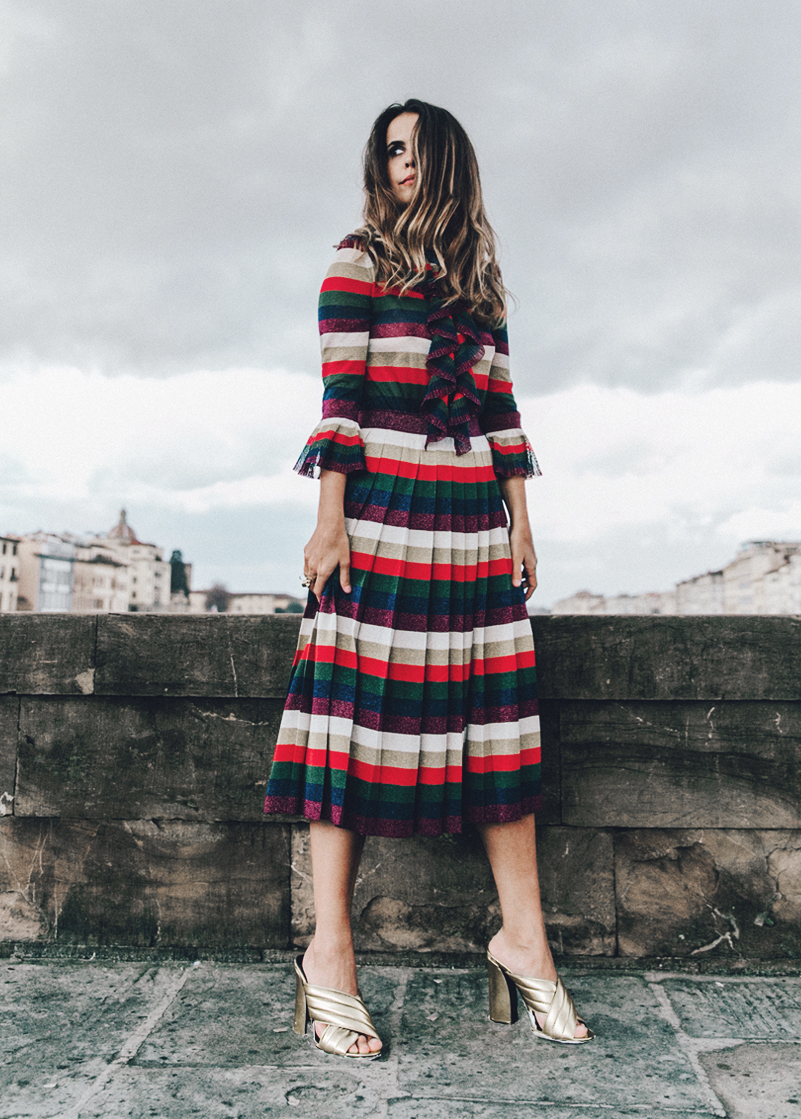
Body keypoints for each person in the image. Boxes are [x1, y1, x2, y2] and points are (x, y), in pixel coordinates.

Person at [264, 99, 593, 1059]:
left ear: (447, 158)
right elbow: (342, 401)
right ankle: (331, 953)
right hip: (380, 525)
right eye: (389, 149)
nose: (402, 161)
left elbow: (499, 409)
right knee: (350, 732)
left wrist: (522, 522)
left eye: (416, 147)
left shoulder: (478, 283)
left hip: (471, 535)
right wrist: (329, 523)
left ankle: (522, 938)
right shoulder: (355, 259)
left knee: (500, 733)